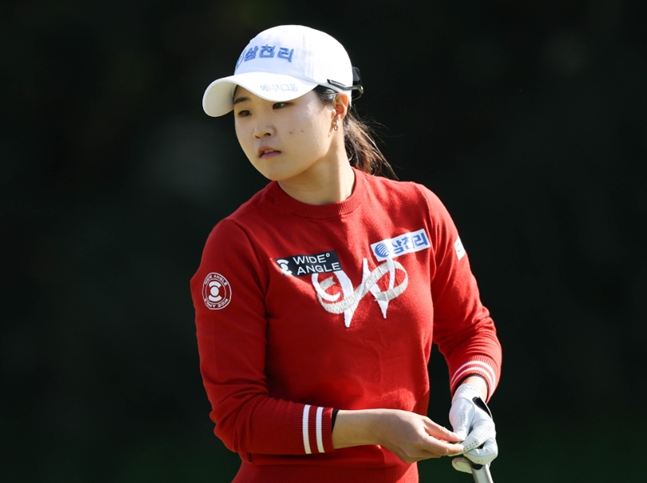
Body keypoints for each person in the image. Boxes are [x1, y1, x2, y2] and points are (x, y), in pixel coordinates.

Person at [190, 25, 502, 483]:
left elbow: (471, 331)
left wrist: (470, 397)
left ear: (337, 107)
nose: (260, 127)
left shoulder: (417, 210)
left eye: (279, 104)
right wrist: (374, 427)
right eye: (244, 111)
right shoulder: (237, 243)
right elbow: (239, 417)